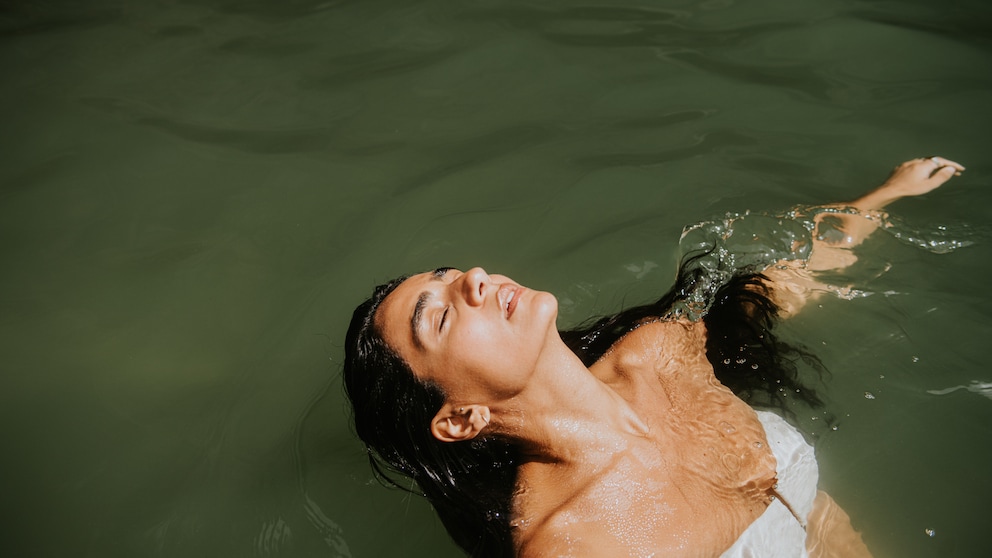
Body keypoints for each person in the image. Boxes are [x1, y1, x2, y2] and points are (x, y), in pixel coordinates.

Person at [343, 157, 965, 557]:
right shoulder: (568, 543)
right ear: (460, 419)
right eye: (443, 315)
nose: (475, 277)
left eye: (452, 274)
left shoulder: (658, 350)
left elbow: (779, 286)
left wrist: (885, 196)